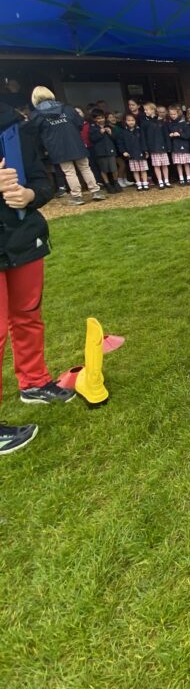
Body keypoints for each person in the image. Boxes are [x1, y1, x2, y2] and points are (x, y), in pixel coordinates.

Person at [0, 102, 74, 455]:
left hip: (22, 238)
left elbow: (42, 182)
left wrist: (29, 195)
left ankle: (34, 382)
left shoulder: (17, 127)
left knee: (28, 314)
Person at [28, 87, 105, 206]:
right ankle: (96, 191)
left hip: (56, 146)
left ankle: (77, 196)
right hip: (74, 142)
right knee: (85, 167)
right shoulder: (67, 108)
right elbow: (80, 124)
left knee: (69, 172)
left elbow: (35, 133)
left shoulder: (36, 115)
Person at [88, 109, 122, 194]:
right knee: (104, 170)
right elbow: (92, 139)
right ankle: (107, 184)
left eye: (102, 118)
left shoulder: (109, 126)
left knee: (114, 168)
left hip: (110, 151)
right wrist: (100, 132)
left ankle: (115, 182)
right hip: (100, 152)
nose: (101, 120)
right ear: (94, 119)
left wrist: (110, 133)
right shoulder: (92, 128)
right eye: (98, 118)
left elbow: (115, 138)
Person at [142, 103, 172, 188]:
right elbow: (143, 137)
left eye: (146, 109)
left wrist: (168, 146)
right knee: (156, 165)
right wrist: (145, 149)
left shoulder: (161, 121)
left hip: (162, 147)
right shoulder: (145, 122)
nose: (145, 111)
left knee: (165, 164)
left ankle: (166, 181)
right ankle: (160, 182)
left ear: (152, 110)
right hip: (153, 148)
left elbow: (166, 135)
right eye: (145, 110)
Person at [117, 112, 149, 190]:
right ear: (125, 121)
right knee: (135, 170)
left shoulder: (139, 130)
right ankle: (139, 184)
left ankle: (145, 183)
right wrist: (123, 151)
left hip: (140, 153)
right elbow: (120, 143)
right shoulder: (123, 132)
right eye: (129, 120)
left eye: (132, 120)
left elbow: (143, 141)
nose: (131, 122)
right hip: (131, 154)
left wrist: (145, 151)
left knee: (143, 169)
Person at [167, 105, 190, 185]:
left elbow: (188, 135)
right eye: (171, 114)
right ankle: (181, 178)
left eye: (174, 114)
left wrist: (179, 134)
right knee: (178, 164)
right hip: (175, 147)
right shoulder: (169, 124)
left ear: (178, 113)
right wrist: (170, 135)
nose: (173, 116)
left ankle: (188, 178)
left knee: (186, 163)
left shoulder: (184, 123)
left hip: (184, 146)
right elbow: (167, 135)